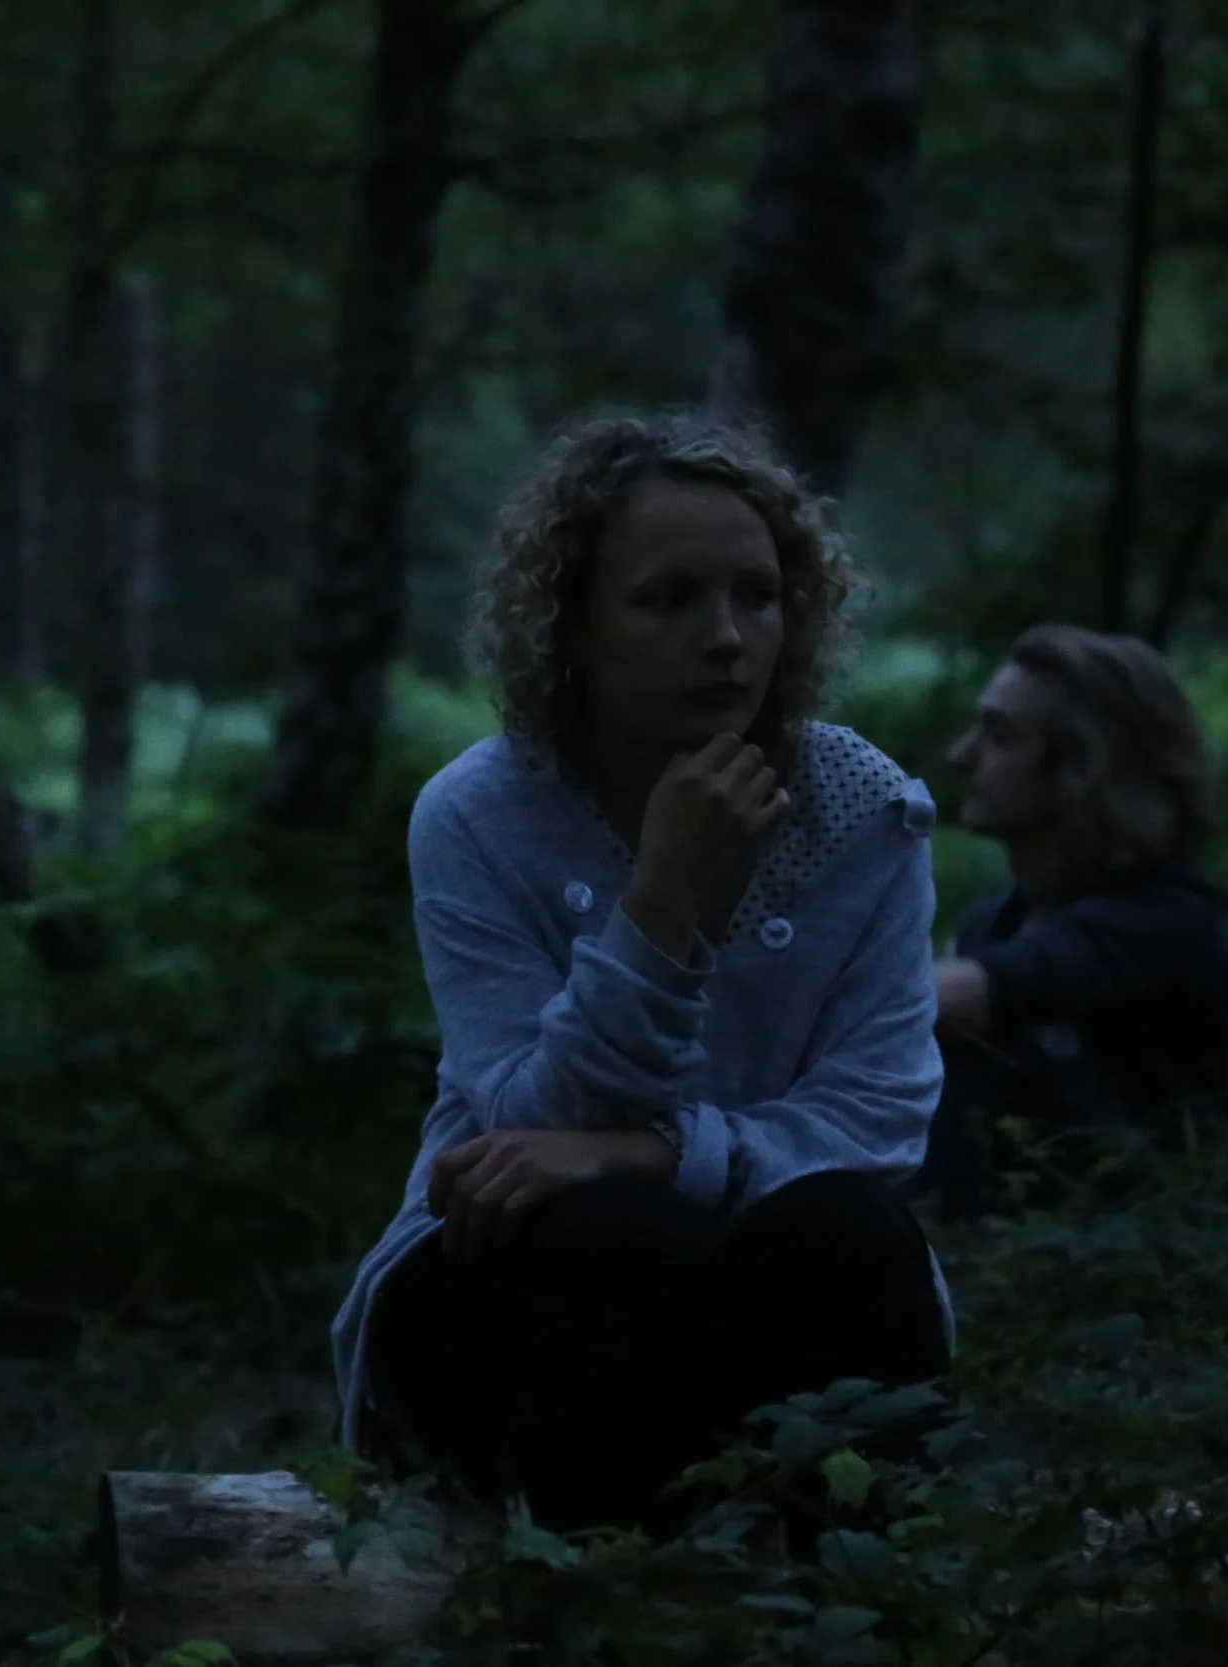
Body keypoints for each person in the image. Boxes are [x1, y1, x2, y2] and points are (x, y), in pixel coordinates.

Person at [329, 411, 952, 1539]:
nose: (725, 637)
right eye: (668, 599)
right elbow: (525, 1123)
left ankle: (862, 1608)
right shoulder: (479, 812)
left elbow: (878, 1117)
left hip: (765, 1291)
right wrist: (662, 898)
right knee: (627, 1231)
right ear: (568, 626)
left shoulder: (867, 812)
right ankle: (580, 1611)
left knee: (847, 1227)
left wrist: (655, 1149)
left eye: (755, 595)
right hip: (508, 1288)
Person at [917, 625, 1228, 1219]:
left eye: (999, 735)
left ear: (1082, 764)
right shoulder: (994, 922)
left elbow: (947, 998)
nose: (962, 756)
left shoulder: (1169, 921)